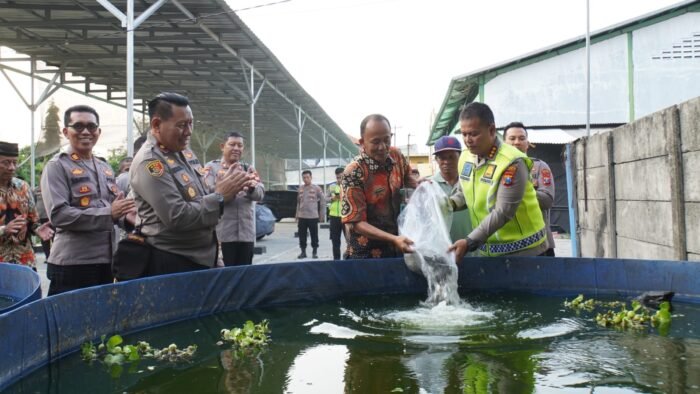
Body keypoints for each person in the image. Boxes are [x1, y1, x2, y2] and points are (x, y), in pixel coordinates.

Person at [130, 92, 250, 277]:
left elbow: (199, 197)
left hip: (201, 258)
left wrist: (225, 188)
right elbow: (177, 216)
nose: (188, 132)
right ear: (156, 125)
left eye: (190, 123)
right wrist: (219, 196)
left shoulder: (184, 152)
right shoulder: (151, 163)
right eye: (181, 125)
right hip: (173, 261)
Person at [41, 105, 135, 295]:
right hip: (74, 263)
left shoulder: (104, 167)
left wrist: (128, 218)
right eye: (79, 126)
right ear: (66, 132)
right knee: (70, 322)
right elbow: (59, 215)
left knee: (101, 321)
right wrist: (109, 213)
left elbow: (113, 211)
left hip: (106, 261)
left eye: (92, 127)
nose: (86, 132)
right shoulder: (57, 166)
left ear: (98, 132)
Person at [448, 102, 548, 262]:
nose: (468, 140)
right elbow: (463, 193)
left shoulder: (512, 161)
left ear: (492, 130)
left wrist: (468, 242)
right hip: (488, 251)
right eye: (464, 134)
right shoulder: (466, 157)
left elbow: (503, 211)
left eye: (473, 134)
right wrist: (448, 204)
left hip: (525, 252)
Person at [341, 114, 417, 259]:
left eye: (386, 140)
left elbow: (407, 176)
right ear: (362, 142)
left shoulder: (396, 155)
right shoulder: (354, 172)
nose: (382, 147)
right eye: (375, 142)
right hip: (365, 253)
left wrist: (419, 184)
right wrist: (393, 239)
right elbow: (356, 222)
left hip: (399, 246)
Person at [203, 131, 264, 266]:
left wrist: (251, 189)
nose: (236, 148)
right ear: (222, 146)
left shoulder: (249, 169)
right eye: (232, 144)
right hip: (223, 235)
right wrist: (226, 190)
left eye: (240, 145)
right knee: (225, 275)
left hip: (246, 234)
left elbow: (261, 193)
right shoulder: (211, 168)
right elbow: (206, 193)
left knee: (244, 274)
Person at [503, 122, 556, 256]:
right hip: (505, 244)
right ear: (504, 142)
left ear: (527, 143)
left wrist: (518, 192)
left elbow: (547, 199)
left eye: (521, 138)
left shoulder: (539, 167)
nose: (517, 142)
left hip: (540, 243)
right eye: (512, 138)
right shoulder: (497, 170)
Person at [0, 142, 54, 269]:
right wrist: (3, 230)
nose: (12, 167)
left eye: (15, 162)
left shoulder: (23, 187)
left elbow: (32, 220)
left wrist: (37, 229)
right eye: (6, 163)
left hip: (25, 263)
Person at [429, 136, 472, 243]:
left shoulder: (470, 183)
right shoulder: (429, 185)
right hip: (442, 249)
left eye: (451, 157)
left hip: (471, 247)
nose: (447, 162)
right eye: (442, 158)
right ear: (436, 159)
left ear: (460, 157)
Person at [295, 170, 325, 259]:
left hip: (313, 217)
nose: (306, 179)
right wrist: (297, 214)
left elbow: (323, 201)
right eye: (304, 177)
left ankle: (314, 252)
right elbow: (298, 203)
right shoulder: (300, 188)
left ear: (311, 177)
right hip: (302, 216)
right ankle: (303, 252)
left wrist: (322, 214)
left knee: (314, 235)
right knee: (302, 235)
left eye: (307, 177)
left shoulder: (317, 188)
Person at [327, 166, 344, 260]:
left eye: (341, 177)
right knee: (335, 240)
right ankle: (336, 260)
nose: (339, 179)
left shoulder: (349, 187)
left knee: (350, 240)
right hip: (334, 217)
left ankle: (349, 259)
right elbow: (325, 199)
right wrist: (331, 199)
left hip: (346, 217)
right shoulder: (332, 187)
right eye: (338, 177)